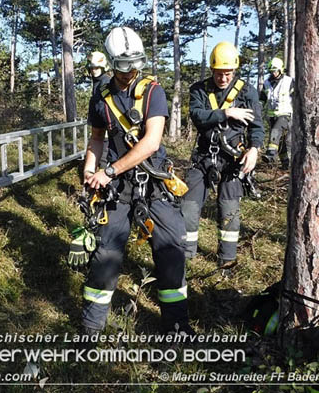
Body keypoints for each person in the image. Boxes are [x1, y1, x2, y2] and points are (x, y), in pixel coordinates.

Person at [81, 26, 190, 335]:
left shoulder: (153, 91)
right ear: (112, 63)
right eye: (122, 65)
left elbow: (151, 142)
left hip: (153, 187)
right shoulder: (101, 96)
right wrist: (90, 170)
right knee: (106, 256)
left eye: (135, 64)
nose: (129, 72)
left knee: (171, 251)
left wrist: (110, 170)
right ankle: (91, 328)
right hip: (117, 192)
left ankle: (177, 328)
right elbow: (97, 138)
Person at [180, 41, 264, 275]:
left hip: (232, 160)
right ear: (212, 70)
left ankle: (226, 262)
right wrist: (226, 112)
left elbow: (257, 126)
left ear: (234, 70)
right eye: (219, 73)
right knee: (188, 207)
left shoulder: (247, 92)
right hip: (204, 157)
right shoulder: (199, 90)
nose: (223, 78)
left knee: (229, 211)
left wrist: (254, 149)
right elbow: (197, 116)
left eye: (227, 73)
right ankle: (186, 258)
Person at [261, 57, 294, 168]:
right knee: (280, 142)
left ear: (280, 70)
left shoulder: (289, 81)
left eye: (275, 70)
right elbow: (262, 99)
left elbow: (296, 97)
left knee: (275, 132)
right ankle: (285, 163)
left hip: (285, 114)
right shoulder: (266, 83)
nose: (273, 73)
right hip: (271, 116)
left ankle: (270, 154)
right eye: (271, 71)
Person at [87, 51, 112, 168]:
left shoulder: (106, 82)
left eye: (97, 68)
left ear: (103, 68)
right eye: (92, 68)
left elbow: (104, 107)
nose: (94, 70)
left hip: (106, 132)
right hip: (100, 132)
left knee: (104, 163)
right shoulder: (96, 82)